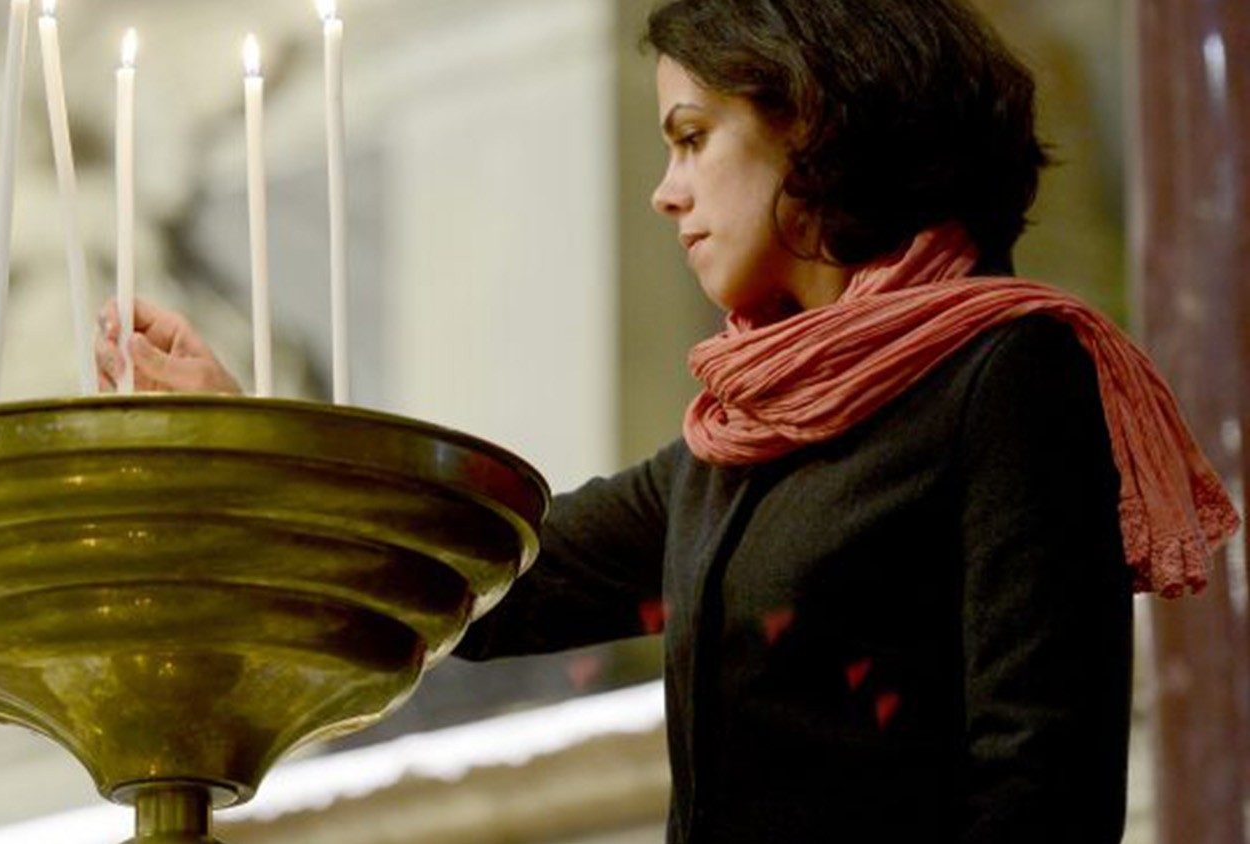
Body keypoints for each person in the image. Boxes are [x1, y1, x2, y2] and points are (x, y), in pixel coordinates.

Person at [97, 0, 1240, 840]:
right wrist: (240, 436)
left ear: (814, 121)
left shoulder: (1009, 372)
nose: (666, 189)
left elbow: (1042, 787)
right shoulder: (738, 433)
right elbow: (486, 578)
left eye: (692, 136)